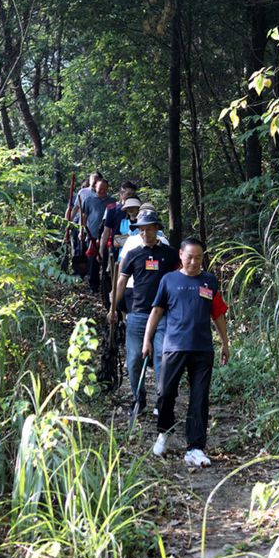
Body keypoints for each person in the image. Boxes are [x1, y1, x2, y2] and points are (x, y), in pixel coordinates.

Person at [142, 238, 229, 467]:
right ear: (180, 255)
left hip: (202, 348)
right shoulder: (169, 280)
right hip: (174, 347)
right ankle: (164, 431)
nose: (194, 261)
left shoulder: (209, 281)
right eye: (189, 256)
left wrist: (225, 343)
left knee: (199, 398)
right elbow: (157, 311)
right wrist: (147, 340)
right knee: (165, 393)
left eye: (198, 257)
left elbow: (218, 313)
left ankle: (196, 447)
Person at [108, 210, 179, 416]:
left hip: (163, 314)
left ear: (157, 228)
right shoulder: (133, 254)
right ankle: (138, 399)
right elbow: (121, 282)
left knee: (161, 357)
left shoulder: (169, 253)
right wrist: (114, 308)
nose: (145, 232)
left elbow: (181, 275)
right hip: (137, 313)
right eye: (142, 229)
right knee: (133, 360)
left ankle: (161, 401)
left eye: (149, 228)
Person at [82, 179, 115, 292]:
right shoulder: (89, 200)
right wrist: (81, 231)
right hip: (92, 235)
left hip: (107, 237)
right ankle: (93, 286)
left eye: (105, 189)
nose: (102, 191)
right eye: (100, 189)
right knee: (92, 262)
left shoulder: (112, 202)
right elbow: (84, 217)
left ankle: (107, 286)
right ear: (95, 188)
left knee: (106, 261)